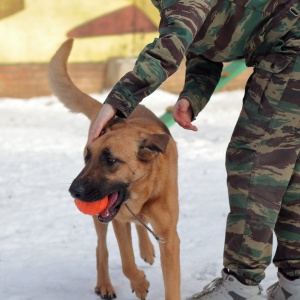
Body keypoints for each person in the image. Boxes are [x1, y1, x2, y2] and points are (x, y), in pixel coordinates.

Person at [88, 1, 300, 299]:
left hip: (291, 48)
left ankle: (240, 287)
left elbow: (172, 43)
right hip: (287, 48)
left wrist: (118, 100)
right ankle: (295, 282)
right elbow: (206, 44)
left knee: (255, 164)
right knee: (287, 170)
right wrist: (192, 96)